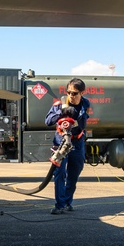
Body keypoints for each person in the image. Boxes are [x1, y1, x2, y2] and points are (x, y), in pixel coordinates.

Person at [45, 78, 90, 215]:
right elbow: (47, 121)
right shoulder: (59, 105)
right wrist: (61, 113)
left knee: (74, 174)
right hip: (61, 144)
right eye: (69, 92)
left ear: (82, 93)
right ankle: (59, 205)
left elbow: (83, 122)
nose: (71, 95)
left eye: (75, 93)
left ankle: (67, 202)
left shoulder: (85, 104)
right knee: (59, 174)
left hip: (77, 143)